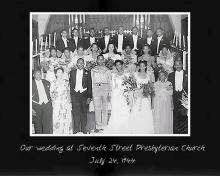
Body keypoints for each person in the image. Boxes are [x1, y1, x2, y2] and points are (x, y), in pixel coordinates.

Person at [102, 60, 131, 134]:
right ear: (115, 66)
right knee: (116, 109)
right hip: (116, 94)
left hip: (124, 94)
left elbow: (130, 86)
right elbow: (111, 86)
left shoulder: (127, 75)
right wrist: (109, 94)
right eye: (117, 65)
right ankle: (116, 126)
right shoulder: (113, 75)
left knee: (124, 109)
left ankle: (124, 126)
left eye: (120, 64)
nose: (118, 66)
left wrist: (127, 93)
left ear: (122, 65)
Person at [130, 61, 154, 134]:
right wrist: (137, 91)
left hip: (145, 97)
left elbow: (150, 86)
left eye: (143, 66)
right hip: (138, 96)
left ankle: (145, 129)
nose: (142, 67)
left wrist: (147, 91)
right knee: (136, 111)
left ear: (146, 66)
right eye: (140, 66)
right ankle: (137, 129)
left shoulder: (148, 75)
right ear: (139, 67)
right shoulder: (135, 74)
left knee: (146, 111)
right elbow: (133, 85)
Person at [69, 58, 92, 134]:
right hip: (75, 95)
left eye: (82, 63)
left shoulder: (87, 72)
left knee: (84, 112)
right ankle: (76, 129)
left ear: (84, 64)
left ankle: (83, 129)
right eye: (79, 63)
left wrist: (89, 97)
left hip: (84, 95)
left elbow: (89, 85)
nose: (80, 64)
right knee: (76, 112)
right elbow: (71, 85)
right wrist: (71, 95)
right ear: (76, 64)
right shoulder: (72, 72)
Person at [91, 55, 112, 133]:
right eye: (99, 59)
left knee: (105, 108)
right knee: (97, 107)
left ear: (104, 60)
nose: (100, 61)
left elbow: (110, 82)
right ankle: (98, 126)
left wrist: (110, 93)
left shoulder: (108, 70)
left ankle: (104, 125)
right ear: (97, 60)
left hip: (105, 88)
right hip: (96, 88)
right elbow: (92, 82)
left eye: (101, 59)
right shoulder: (93, 70)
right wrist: (92, 92)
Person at [168, 59, 188, 134]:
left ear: (182, 65)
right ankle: (175, 132)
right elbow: (169, 87)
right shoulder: (170, 75)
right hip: (174, 97)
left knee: (184, 115)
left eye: (179, 64)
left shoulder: (187, 73)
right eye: (176, 65)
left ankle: (184, 132)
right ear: (174, 66)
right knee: (175, 115)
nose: (177, 66)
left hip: (185, 97)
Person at [50, 67, 72, 134]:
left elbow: (69, 92)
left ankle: (66, 132)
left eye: (61, 72)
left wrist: (70, 102)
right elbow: (51, 93)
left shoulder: (66, 82)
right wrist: (53, 101)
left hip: (65, 101)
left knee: (66, 117)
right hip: (57, 102)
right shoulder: (53, 83)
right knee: (57, 117)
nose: (60, 73)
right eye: (58, 72)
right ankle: (58, 133)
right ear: (56, 74)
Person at [32, 68, 53, 134]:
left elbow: (51, 93)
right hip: (36, 106)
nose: (39, 76)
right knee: (38, 124)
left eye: (40, 74)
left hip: (47, 106)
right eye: (37, 74)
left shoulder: (47, 82)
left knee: (47, 123)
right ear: (33, 75)